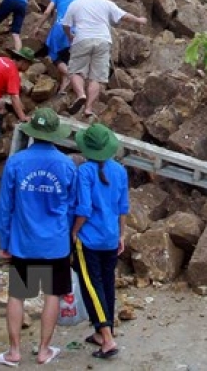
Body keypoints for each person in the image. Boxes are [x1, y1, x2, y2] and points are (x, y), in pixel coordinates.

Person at [0, 108, 76, 367]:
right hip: (55, 243)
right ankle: (43, 350)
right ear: (55, 134)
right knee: (53, 294)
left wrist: (4, 241)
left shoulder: (16, 162)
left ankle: (14, 352)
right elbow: (72, 207)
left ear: (32, 133)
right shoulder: (66, 165)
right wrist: (68, 237)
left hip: (23, 242)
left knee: (18, 294)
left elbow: (5, 206)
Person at [71, 124, 128, 360]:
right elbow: (123, 207)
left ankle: (107, 339)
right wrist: (122, 234)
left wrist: (74, 231)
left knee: (91, 286)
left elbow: (84, 208)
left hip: (89, 239)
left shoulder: (84, 171)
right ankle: (103, 331)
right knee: (107, 284)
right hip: (111, 237)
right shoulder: (120, 171)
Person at [62, 0, 147, 118]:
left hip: (82, 38)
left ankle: (81, 94)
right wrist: (139, 20)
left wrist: (70, 36)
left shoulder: (76, 3)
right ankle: (88, 108)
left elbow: (65, 25)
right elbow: (124, 16)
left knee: (75, 71)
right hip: (103, 40)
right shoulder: (106, 3)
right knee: (96, 77)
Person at [36, 0, 79, 95]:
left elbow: (47, 12)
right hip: (74, 31)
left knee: (54, 56)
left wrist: (37, 26)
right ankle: (62, 89)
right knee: (66, 58)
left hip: (60, 27)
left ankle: (70, 75)